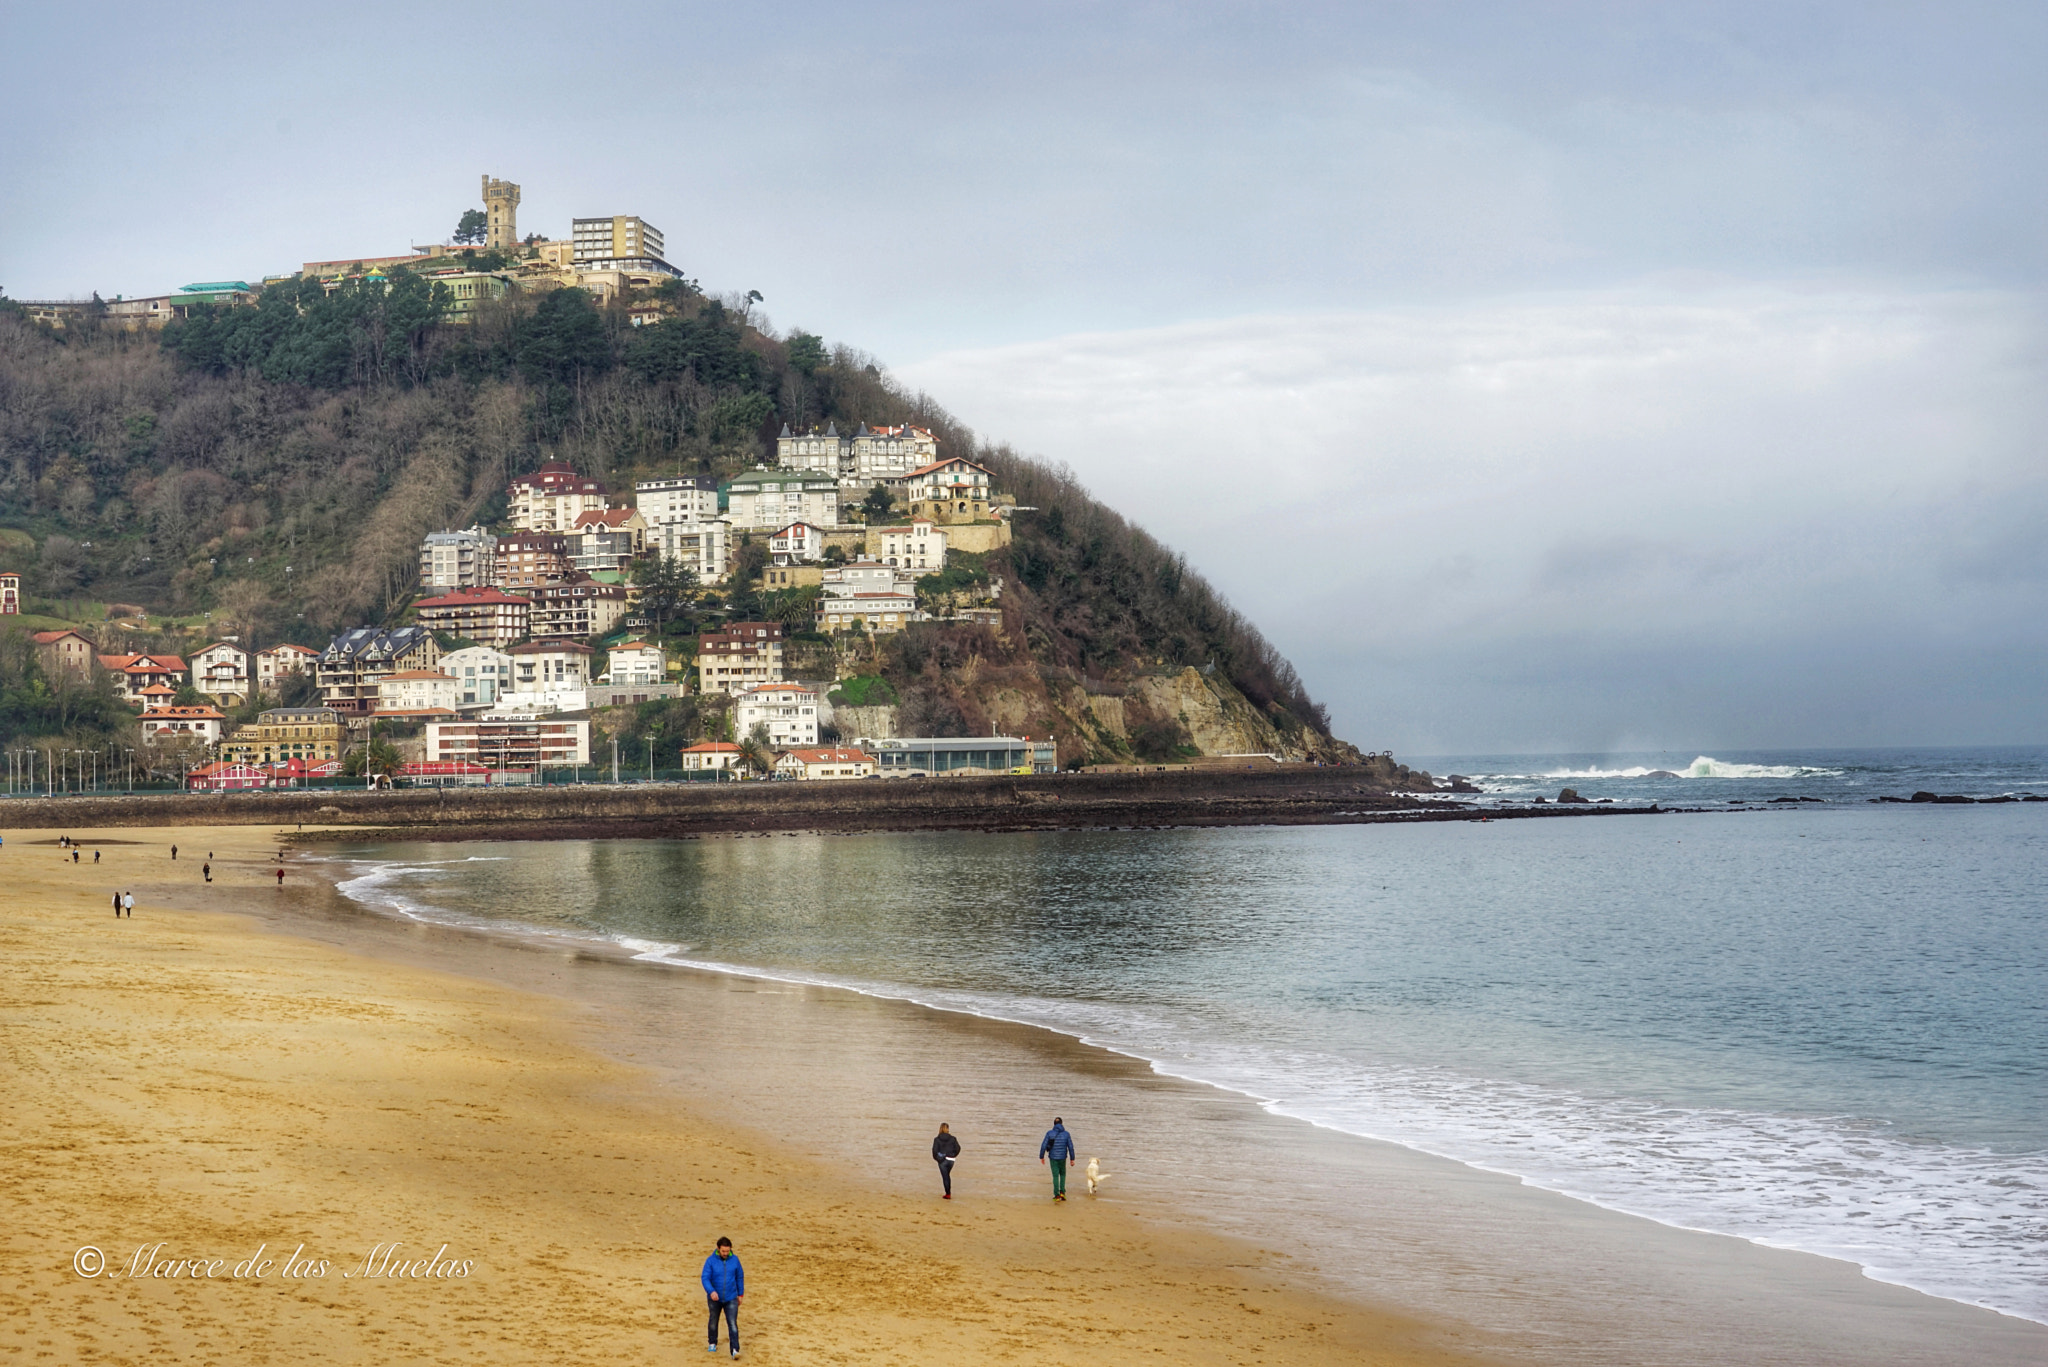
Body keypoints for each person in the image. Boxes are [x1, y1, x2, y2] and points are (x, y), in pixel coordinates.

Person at [701, 1237, 744, 1357]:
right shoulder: (710, 1261)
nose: (725, 1253)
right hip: (715, 1298)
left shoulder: (735, 1260)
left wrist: (740, 1294)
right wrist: (711, 1291)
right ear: (718, 1249)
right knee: (713, 1321)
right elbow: (705, 1278)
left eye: (727, 1251)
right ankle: (712, 1342)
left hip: (731, 1297)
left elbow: (739, 1277)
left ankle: (735, 1350)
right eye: (723, 1251)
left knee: (732, 1323)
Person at [1039, 1117, 1078, 1202]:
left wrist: (1041, 1156)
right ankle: (1062, 1193)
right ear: (1062, 1123)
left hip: (1053, 1158)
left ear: (1054, 1124)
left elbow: (1043, 1146)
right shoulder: (1066, 1134)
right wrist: (1072, 1159)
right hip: (1063, 1158)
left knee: (1055, 1176)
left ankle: (1056, 1196)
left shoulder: (1049, 1133)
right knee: (1063, 1175)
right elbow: (1071, 1147)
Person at [932, 1123, 961, 1199]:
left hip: (942, 1160)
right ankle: (948, 1193)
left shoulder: (937, 1139)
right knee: (947, 1176)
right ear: (948, 1129)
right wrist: (953, 1155)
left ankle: (948, 1194)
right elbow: (958, 1148)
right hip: (951, 1159)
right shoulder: (953, 1138)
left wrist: (938, 1159)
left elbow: (934, 1151)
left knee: (945, 1177)